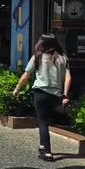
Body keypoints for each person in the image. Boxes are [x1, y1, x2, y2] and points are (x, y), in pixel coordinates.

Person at [13, 34, 71, 162]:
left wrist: (17, 89)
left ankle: (47, 152)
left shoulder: (38, 57)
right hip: (56, 94)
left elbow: (26, 75)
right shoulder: (63, 58)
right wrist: (65, 95)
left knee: (42, 121)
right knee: (45, 119)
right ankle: (42, 145)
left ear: (43, 44)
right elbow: (68, 78)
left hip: (40, 92)